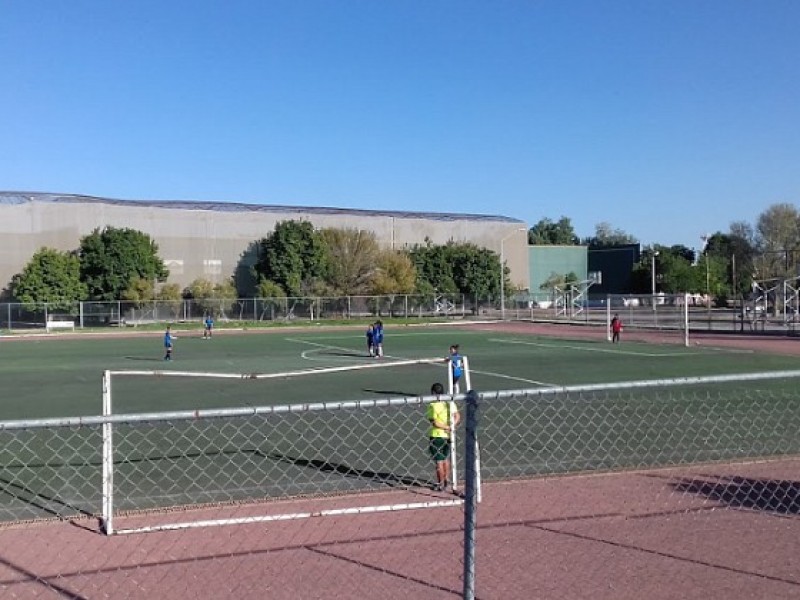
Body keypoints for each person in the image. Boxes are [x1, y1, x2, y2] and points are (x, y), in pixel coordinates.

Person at [426, 382, 461, 493]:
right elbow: (457, 416)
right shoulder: (449, 403)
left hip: (436, 436)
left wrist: (446, 427)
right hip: (448, 435)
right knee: (446, 458)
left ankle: (440, 483)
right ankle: (447, 480)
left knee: (439, 461)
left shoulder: (432, 405)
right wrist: (451, 426)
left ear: (433, 393)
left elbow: (434, 422)